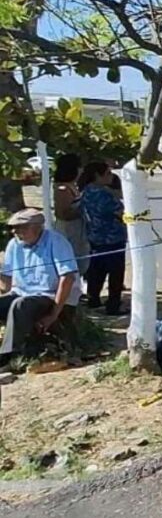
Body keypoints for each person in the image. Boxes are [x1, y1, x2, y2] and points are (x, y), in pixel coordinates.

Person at [0, 209, 80, 367]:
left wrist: (53, 314)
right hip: (23, 293)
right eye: (14, 228)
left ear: (37, 228)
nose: (15, 232)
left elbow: (67, 278)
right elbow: (7, 283)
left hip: (51, 295)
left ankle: (8, 357)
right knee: (11, 302)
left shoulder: (56, 242)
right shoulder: (14, 244)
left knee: (21, 304)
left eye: (21, 227)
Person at [79, 161, 127, 315]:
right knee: (116, 273)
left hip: (95, 235)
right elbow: (121, 213)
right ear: (97, 176)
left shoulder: (86, 191)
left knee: (96, 270)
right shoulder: (104, 194)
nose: (111, 176)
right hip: (112, 237)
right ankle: (113, 305)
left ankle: (93, 299)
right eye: (107, 173)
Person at [52, 154, 89, 278]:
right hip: (68, 230)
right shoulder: (63, 189)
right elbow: (62, 214)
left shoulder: (73, 186)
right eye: (79, 167)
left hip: (78, 230)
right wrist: (83, 209)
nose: (82, 170)